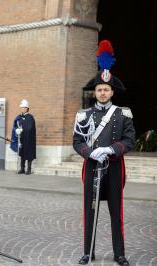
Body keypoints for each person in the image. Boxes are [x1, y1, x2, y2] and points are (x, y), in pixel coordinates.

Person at [73, 40, 135, 266]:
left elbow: (130, 140)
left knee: (116, 212)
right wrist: (89, 152)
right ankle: (88, 252)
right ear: (95, 91)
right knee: (90, 211)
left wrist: (110, 149)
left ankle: (119, 253)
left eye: (106, 89)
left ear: (112, 91)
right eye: (99, 89)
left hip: (115, 167)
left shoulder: (123, 114)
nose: (102, 92)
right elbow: (77, 141)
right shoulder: (84, 114)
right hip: (92, 167)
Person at [10, 99, 36, 174]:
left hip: (29, 139)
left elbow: (30, 127)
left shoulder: (30, 117)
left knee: (29, 154)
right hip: (21, 138)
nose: (22, 109)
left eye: (24, 108)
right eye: (21, 108)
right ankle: (22, 168)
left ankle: (29, 169)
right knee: (22, 153)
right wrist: (16, 130)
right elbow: (15, 125)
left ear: (27, 108)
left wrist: (22, 129)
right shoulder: (19, 117)